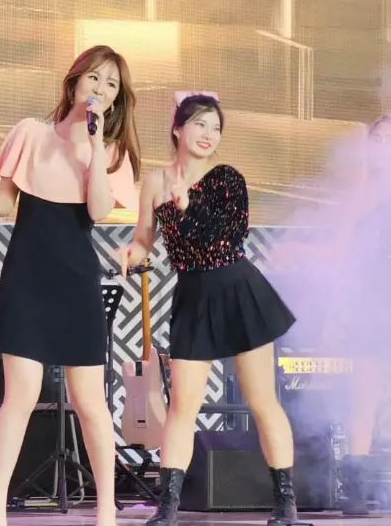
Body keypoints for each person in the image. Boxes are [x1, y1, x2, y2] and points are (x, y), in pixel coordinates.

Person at [0, 45, 140, 526]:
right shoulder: (30, 132)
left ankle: (106, 510)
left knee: (89, 400)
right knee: (20, 394)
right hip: (26, 276)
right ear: (74, 81)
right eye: (94, 77)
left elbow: (99, 211)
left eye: (111, 84)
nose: (100, 88)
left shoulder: (112, 153)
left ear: (116, 98)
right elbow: (6, 200)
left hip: (76, 282)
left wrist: (94, 149)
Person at [113, 93, 300, 526]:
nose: (208, 135)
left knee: (262, 401)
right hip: (193, 296)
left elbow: (230, 236)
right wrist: (129, 254)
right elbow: (143, 241)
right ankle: (167, 510)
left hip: (238, 291)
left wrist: (187, 205)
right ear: (178, 129)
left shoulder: (227, 178)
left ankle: (285, 508)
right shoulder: (156, 182)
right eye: (200, 124)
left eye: (216, 128)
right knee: (182, 406)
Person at [268, 114, 391, 517]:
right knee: (364, 397)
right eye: (377, 139)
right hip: (373, 304)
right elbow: (340, 253)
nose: (382, 147)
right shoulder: (359, 197)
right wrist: (297, 251)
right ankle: (355, 491)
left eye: (389, 139)